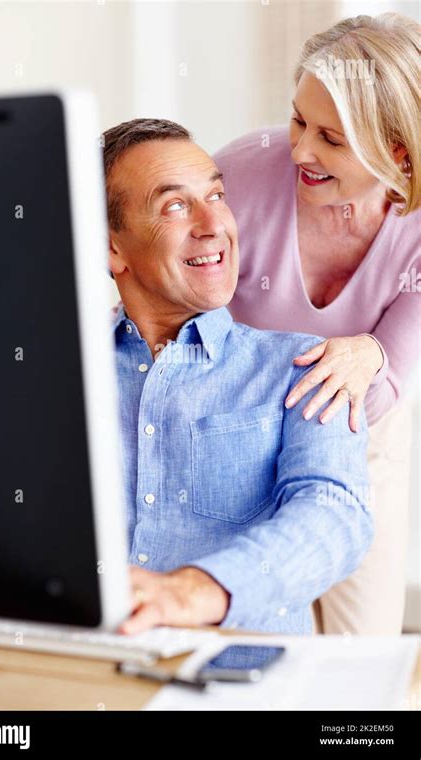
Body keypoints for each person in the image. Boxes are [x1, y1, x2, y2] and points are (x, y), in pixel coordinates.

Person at [100, 118, 373, 636]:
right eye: (175, 205)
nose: (214, 224)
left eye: (217, 195)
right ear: (114, 248)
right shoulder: (60, 376)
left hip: (240, 680)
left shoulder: (302, 367)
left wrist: (197, 590)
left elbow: (335, 514)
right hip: (81, 673)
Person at [213, 12, 420, 635]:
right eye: (299, 119)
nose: (300, 149)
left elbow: (387, 378)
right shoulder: (243, 177)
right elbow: (183, 317)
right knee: (263, 630)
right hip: (239, 422)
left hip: (363, 430)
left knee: (362, 644)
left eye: (331, 138)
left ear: (399, 155)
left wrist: (374, 356)